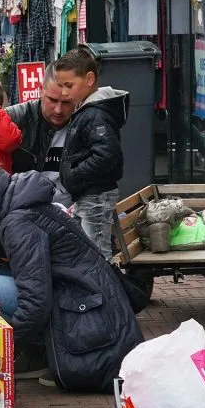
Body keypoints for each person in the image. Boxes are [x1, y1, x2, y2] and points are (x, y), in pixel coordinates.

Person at [0, 156, 143, 391]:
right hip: (70, 291)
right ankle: (34, 350)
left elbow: (35, 301)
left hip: (80, 305)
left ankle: (39, 352)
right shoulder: (11, 204)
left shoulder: (17, 223)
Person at [54, 48, 127, 260]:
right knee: (89, 251)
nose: (64, 93)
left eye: (69, 86)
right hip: (88, 195)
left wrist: (76, 174)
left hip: (95, 195)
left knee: (97, 254)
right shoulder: (88, 111)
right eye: (61, 86)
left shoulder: (94, 115)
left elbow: (106, 154)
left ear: (89, 79)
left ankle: (105, 293)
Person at [6, 64, 76, 207]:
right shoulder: (16, 119)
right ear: (40, 91)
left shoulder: (84, 122)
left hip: (72, 213)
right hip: (26, 212)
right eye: (53, 100)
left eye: (67, 102)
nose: (58, 110)